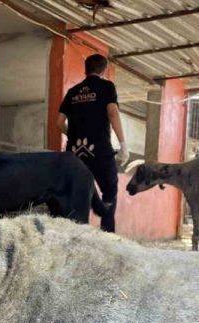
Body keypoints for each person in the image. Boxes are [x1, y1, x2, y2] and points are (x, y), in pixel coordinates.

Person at [57, 54, 128, 233]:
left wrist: (73, 136)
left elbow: (58, 122)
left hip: (75, 155)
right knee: (109, 192)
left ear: (85, 69)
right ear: (103, 70)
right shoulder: (106, 87)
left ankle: (76, 236)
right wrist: (123, 144)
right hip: (100, 152)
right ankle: (107, 238)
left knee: (77, 194)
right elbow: (113, 112)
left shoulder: (73, 92)